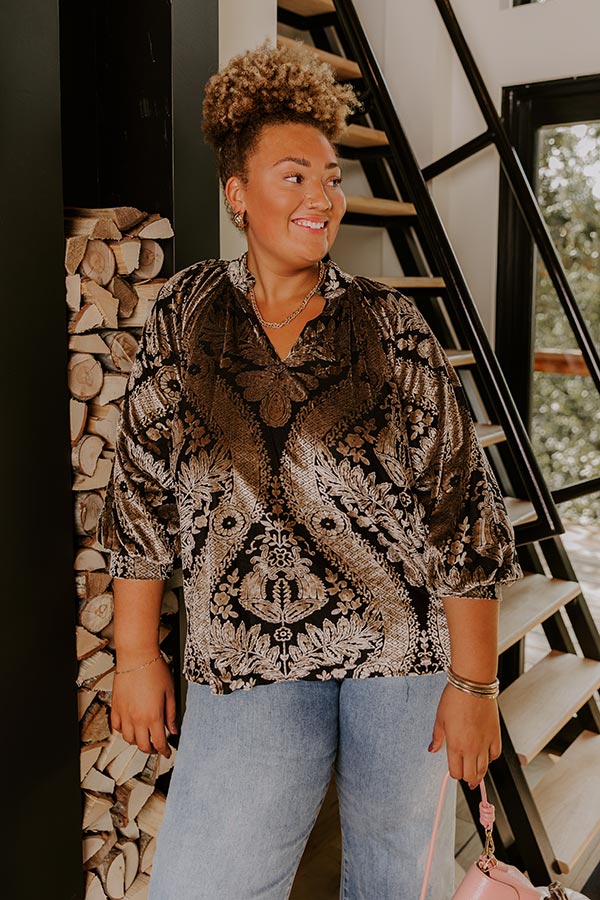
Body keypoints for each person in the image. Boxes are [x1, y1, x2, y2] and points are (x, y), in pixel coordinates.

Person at [100, 41, 522, 900]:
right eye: (294, 176)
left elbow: (461, 509)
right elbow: (140, 493)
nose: (323, 197)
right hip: (243, 655)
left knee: (394, 884)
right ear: (237, 194)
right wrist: (135, 656)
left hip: (403, 658)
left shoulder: (392, 325)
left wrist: (475, 685)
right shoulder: (184, 312)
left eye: (330, 178)